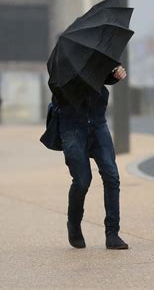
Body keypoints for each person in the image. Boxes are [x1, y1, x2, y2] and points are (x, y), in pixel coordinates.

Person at [54, 65, 128, 249]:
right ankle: (74, 224)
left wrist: (114, 74)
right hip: (72, 126)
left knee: (112, 176)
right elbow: (58, 94)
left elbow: (105, 75)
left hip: (98, 123)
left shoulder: (96, 55)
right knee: (82, 180)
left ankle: (112, 233)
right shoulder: (61, 64)